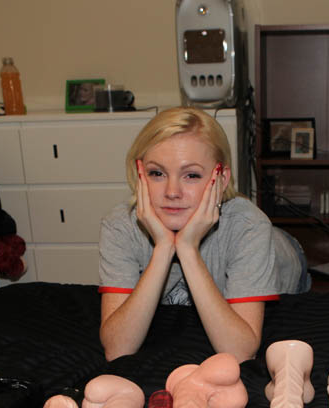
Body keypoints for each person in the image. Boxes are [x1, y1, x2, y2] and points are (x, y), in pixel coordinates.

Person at [98, 107, 310, 362]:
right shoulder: (120, 226)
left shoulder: (250, 227)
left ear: (220, 180)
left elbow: (241, 351)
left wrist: (188, 249)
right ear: (140, 174)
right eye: (157, 173)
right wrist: (164, 248)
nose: (172, 192)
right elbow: (118, 349)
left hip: (283, 255)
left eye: (191, 175)